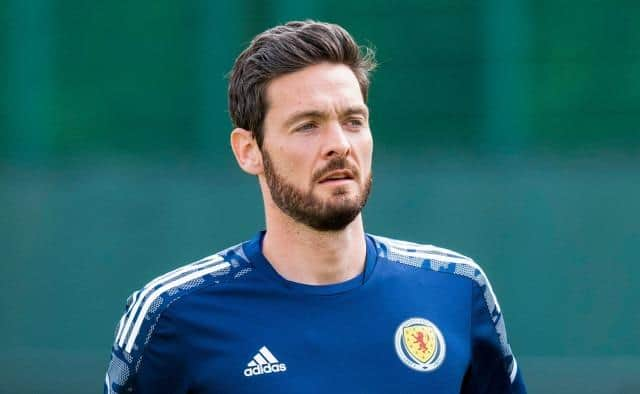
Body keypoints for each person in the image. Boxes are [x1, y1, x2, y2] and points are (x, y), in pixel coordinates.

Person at [104, 20, 526, 394]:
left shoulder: (456, 289)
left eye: (353, 121)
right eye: (308, 126)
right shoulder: (173, 314)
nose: (339, 145)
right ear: (249, 150)